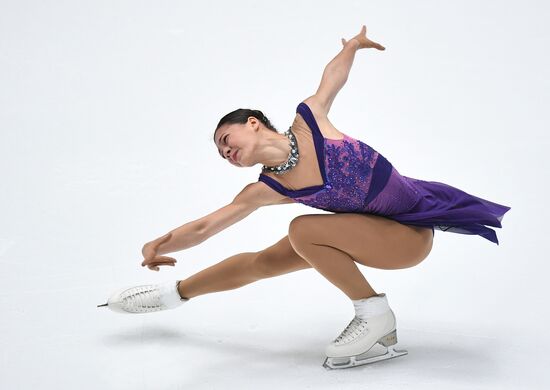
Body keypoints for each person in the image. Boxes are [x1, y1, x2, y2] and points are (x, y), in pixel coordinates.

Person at [98, 25, 511, 369]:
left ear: (254, 124)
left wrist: (351, 46)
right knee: (266, 261)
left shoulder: (310, 120)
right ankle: (171, 295)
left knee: (303, 229)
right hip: (367, 231)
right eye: (222, 154)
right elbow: (207, 226)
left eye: (227, 140)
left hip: (407, 237)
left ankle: (373, 314)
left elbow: (332, 78)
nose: (226, 152)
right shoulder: (268, 188)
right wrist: (160, 243)